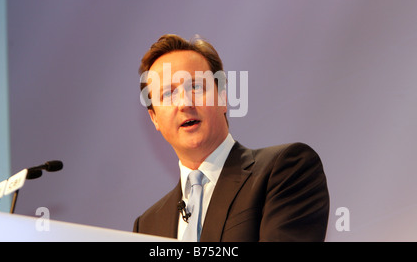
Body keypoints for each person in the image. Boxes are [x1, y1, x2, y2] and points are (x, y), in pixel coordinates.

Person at [133, 34, 329, 241]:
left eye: (196, 87)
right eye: (168, 94)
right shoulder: (147, 225)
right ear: (154, 117)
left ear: (223, 97)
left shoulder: (285, 170)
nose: (185, 103)